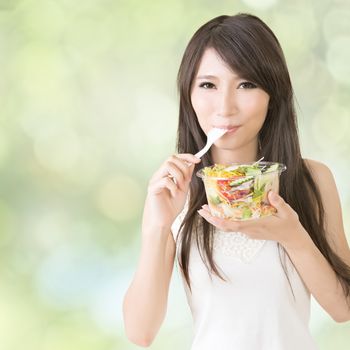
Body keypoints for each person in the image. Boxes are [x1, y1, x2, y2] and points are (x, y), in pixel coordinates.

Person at [122, 13, 350, 349]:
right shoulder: (173, 190)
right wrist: (158, 226)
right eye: (208, 85)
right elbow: (140, 333)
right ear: (189, 95)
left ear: (273, 94)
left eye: (246, 84)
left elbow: (343, 308)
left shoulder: (311, 180)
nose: (225, 108)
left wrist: (293, 236)